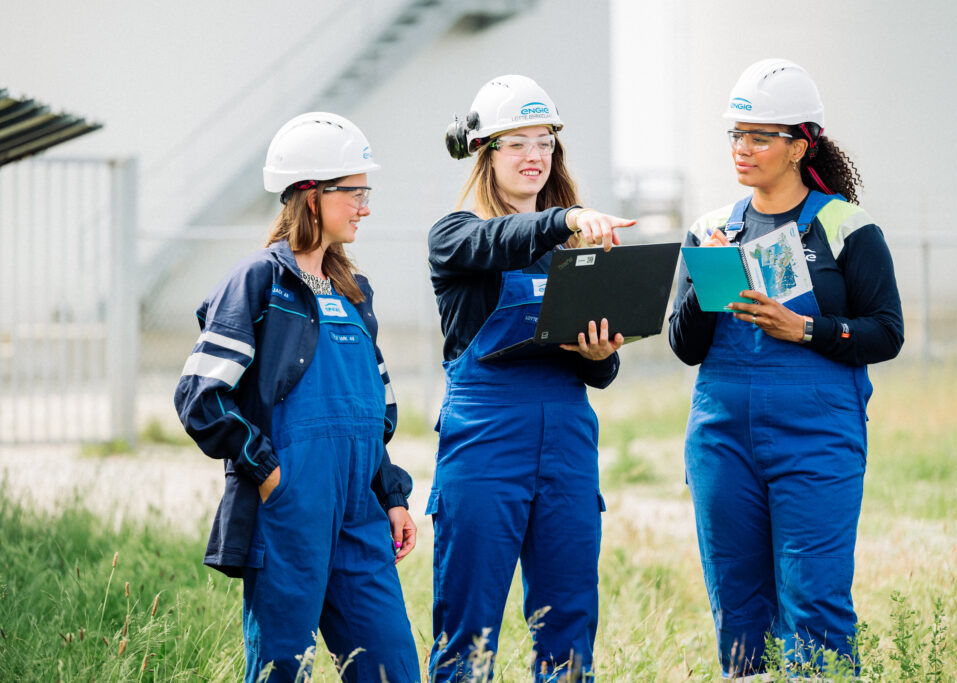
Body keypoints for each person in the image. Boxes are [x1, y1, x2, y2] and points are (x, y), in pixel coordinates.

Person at [668, 59, 904, 678]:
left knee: (816, 608)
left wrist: (805, 329)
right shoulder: (710, 228)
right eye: (736, 136)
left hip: (818, 440)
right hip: (722, 439)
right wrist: (704, 280)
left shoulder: (846, 227)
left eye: (760, 137)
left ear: (800, 146)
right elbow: (685, 346)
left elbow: (887, 331)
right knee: (739, 612)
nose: (742, 149)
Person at [173, 112, 420, 683]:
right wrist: (268, 475)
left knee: (392, 668)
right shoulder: (259, 282)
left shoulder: (355, 293)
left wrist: (391, 494)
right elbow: (199, 395)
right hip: (290, 509)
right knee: (282, 669)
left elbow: (370, 412)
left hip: (360, 510)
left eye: (366, 191)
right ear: (311, 195)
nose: (365, 205)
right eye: (354, 192)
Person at [426, 75, 635, 681]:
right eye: (517, 143)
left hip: (568, 445)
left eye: (544, 143)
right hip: (486, 443)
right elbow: (501, 240)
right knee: (469, 630)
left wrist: (599, 353)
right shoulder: (457, 235)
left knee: (569, 621)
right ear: (484, 152)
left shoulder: (571, 249)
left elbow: (603, 372)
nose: (534, 157)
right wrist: (565, 219)